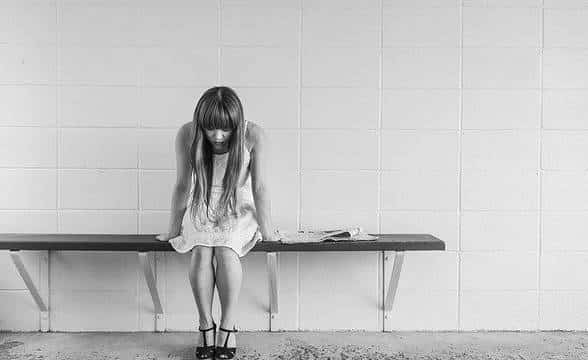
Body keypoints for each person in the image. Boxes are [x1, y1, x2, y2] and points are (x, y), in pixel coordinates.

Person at [156, 86, 279, 359]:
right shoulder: (187, 134)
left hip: (238, 206)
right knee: (201, 250)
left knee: (225, 249)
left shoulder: (253, 135)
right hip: (202, 203)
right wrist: (173, 229)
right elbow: (181, 185)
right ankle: (205, 325)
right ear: (201, 123)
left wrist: (268, 232)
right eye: (211, 129)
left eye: (226, 129)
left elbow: (259, 188)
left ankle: (228, 326)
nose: (218, 136)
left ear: (237, 124)